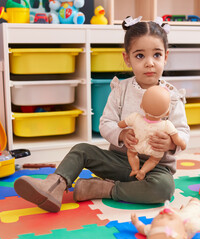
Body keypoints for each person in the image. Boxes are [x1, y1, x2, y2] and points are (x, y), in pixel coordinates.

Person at [14, 16, 190, 213]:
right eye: (140, 56)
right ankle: (54, 185)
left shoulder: (172, 96)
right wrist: (121, 135)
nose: (149, 63)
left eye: (156, 55)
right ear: (127, 58)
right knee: (81, 149)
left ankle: (103, 188)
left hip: (154, 169)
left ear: (165, 57)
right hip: (119, 162)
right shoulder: (120, 90)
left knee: (164, 189)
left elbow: (183, 132)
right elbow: (106, 123)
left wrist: (172, 143)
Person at [118, 85, 186, 181]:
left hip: (137, 144)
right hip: (154, 149)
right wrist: (182, 145)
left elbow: (122, 124)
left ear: (141, 106)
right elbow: (177, 139)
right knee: (154, 160)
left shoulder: (135, 117)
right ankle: (143, 171)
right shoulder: (167, 125)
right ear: (167, 113)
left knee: (132, 154)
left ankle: (135, 169)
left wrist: (120, 126)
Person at [131, 198, 200, 239]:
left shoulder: (153, 229)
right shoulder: (192, 225)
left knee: (170, 210)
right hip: (188, 216)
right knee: (195, 201)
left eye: (159, 217)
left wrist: (136, 222)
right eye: (170, 219)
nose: (164, 213)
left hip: (177, 214)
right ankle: (182, 210)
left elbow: (142, 229)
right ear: (184, 236)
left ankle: (177, 212)